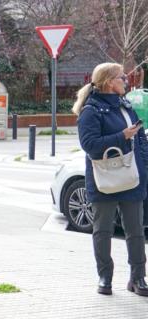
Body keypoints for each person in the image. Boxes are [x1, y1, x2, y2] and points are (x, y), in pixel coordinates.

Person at [74, 62, 148, 296]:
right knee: (103, 230)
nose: (126, 81)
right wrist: (121, 136)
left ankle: (138, 278)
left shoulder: (125, 106)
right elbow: (89, 145)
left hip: (131, 178)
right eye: (121, 77)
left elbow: (140, 140)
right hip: (103, 179)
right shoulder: (91, 111)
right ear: (108, 82)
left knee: (135, 231)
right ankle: (105, 277)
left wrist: (144, 167)